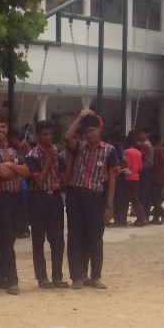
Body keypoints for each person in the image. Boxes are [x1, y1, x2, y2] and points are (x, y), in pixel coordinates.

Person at [61, 110, 119, 289]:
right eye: (86, 131)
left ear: (100, 129)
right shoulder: (79, 147)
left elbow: (112, 180)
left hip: (95, 197)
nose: (89, 134)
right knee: (75, 236)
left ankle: (95, 276)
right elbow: (67, 137)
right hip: (76, 195)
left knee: (95, 237)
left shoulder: (109, 151)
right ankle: (77, 276)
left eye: (92, 130)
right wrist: (78, 117)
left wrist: (109, 205)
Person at [23, 120, 68, 288]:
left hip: (55, 197)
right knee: (38, 239)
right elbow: (39, 181)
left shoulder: (56, 151)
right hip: (38, 197)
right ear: (37, 135)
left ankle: (57, 276)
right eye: (45, 135)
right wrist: (48, 160)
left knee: (57, 239)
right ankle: (42, 277)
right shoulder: (33, 156)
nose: (48, 137)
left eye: (50, 134)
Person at [0, 115, 26, 294]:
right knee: (6, 239)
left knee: (7, 240)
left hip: (15, 198)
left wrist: (12, 167)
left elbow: (27, 171)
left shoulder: (12, 150)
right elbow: (2, 173)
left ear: (7, 128)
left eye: (3, 126)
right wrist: (15, 168)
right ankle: (12, 280)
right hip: (0, 198)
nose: (0, 130)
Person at [118, 129, 143, 226]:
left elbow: (126, 165)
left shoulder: (126, 152)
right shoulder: (138, 152)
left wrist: (121, 170)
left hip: (128, 177)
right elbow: (140, 167)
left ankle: (123, 219)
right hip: (136, 177)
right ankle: (141, 217)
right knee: (135, 199)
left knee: (125, 199)